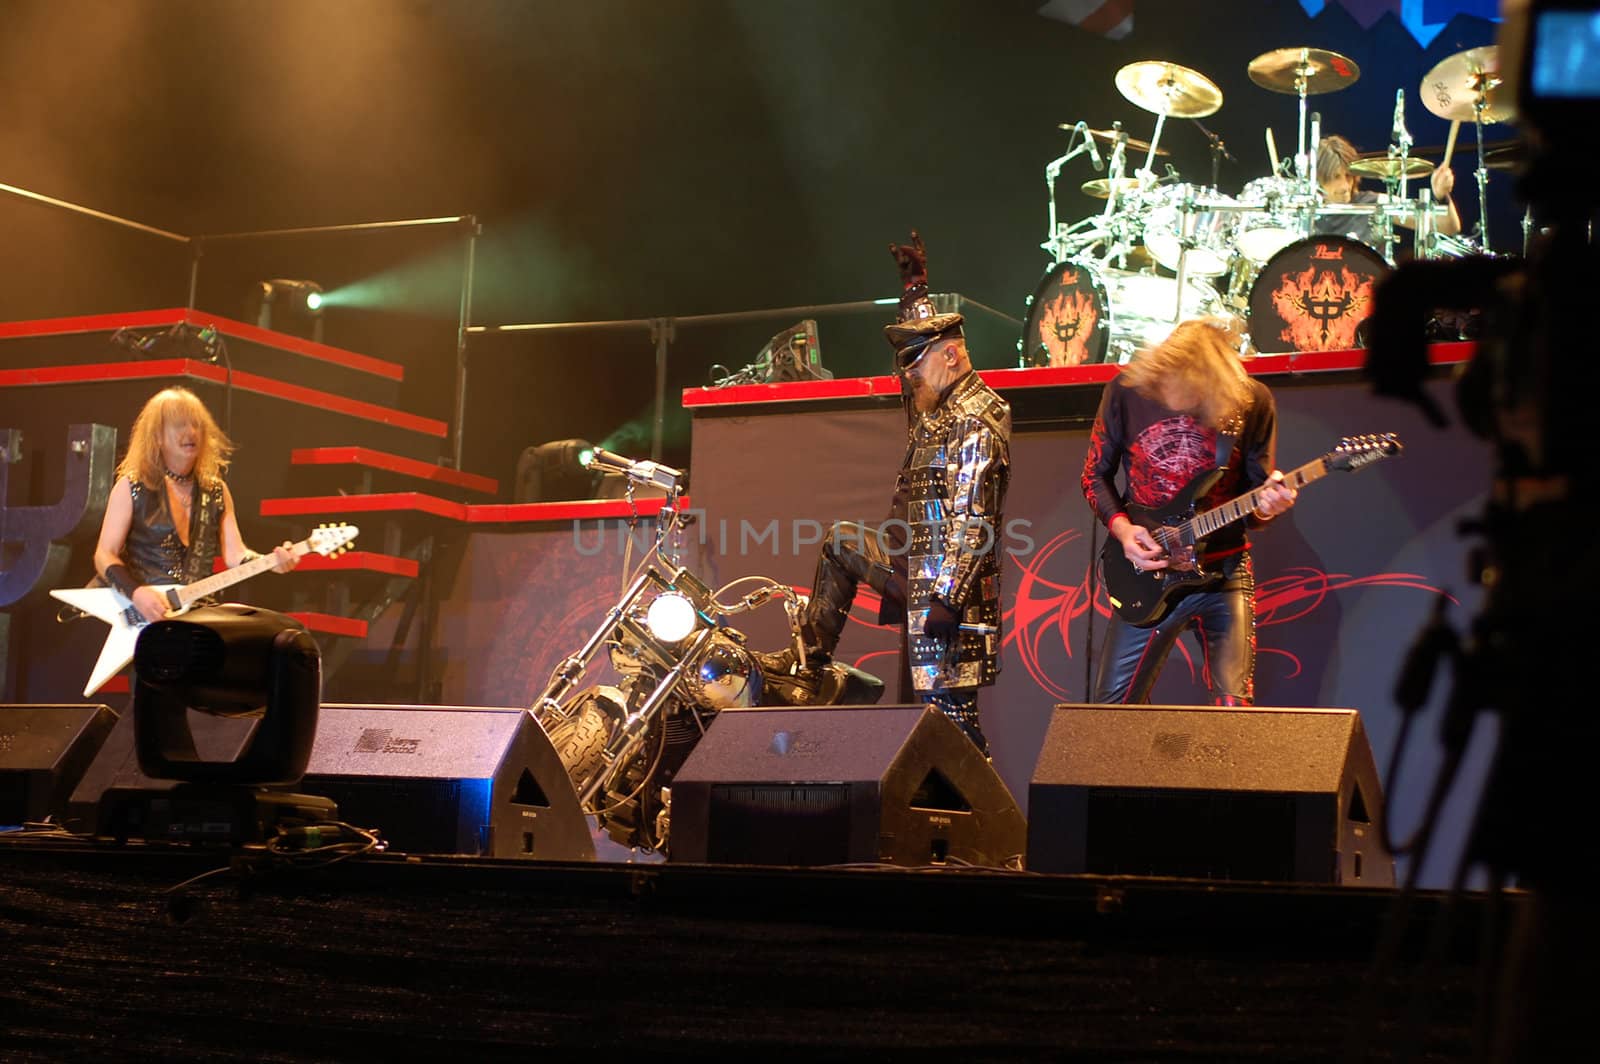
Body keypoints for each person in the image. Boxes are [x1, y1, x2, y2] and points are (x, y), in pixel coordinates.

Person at [760, 232, 1011, 754]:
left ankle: (988, 818)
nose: (907, 377)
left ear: (949, 357)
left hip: (946, 588)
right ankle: (809, 664)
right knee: (841, 542)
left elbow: (975, 519)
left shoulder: (977, 418)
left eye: (915, 365)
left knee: (948, 723)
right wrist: (915, 289)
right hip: (909, 562)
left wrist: (948, 595)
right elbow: (914, 353)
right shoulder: (934, 406)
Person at [1080, 317, 1297, 705]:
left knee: (1234, 710)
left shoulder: (1250, 400)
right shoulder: (1127, 392)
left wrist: (1270, 506)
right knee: (1110, 714)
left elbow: (1256, 503)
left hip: (1222, 573)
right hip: (1149, 573)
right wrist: (1124, 531)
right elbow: (1095, 475)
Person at [93, 386, 298, 622]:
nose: (190, 432)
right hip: (147, 613)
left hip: (200, 614)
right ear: (157, 436)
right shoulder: (131, 487)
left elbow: (236, 555)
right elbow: (104, 554)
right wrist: (137, 593)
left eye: (196, 425)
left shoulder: (215, 491)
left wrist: (272, 563)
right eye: (179, 424)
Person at [1315, 134, 1462, 247]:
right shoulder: (1306, 213)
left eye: (1348, 176)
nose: (1345, 186)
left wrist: (1441, 196)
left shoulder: (1375, 204)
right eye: (1335, 177)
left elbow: (1450, 227)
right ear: (1318, 179)